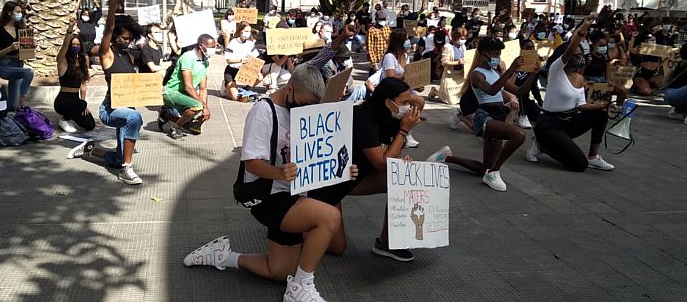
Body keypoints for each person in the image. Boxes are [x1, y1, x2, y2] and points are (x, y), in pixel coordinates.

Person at [183, 66, 353, 302]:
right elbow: (252, 163)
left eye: (310, 105)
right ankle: (301, 287)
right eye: (303, 103)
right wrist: (279, 173)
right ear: (290, 89)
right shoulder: (263, 112)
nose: (305, 109)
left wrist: (342, 167)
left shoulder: (303, 108)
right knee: (329, 217)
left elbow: (321, 152)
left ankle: (223, 256)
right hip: (270, 197)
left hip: (296, 193)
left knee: (280, 272)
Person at [309, 78, 423, 262]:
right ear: (388, 103)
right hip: (333, 181)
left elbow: (390, 158)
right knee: (337, 247)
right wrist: (404, 132)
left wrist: (410, 104)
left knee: (404, 179)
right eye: (404, 103)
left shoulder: (391, 117)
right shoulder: (364, 119)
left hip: (359, 175)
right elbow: (381, 163)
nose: (408, 107)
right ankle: (296, 229)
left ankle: (386, 243)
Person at [73, 0, 145, 185]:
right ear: (115, 37)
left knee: (118, 158)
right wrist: (113, 1)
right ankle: (127, 171)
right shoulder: (107, 53)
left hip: (127, 105)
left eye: (130, 39)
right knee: (134, 117)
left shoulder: (129, 56)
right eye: (124, 38)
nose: (127, 42)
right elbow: (109, 27)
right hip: (110, 109)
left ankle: (90, 149)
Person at [529, 15, 615, 172]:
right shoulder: (556, 71)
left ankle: (593, 156)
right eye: (575, 55)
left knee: (600, 114)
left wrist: (602, 105)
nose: (579, 57)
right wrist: (582, 29)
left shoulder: (579, 78)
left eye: (580, 54)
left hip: (569, 121)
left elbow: (581, 106)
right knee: (578, 165)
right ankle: (543, 144)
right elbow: (570, 48)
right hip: (549, 123)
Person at [443, 37, 526, 191]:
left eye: (499, 55)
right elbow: (492, 90)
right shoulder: (476, 74)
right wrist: (511, 69)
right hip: (485, 117)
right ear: (484, 54)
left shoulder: (494, 71)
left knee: (484, 168)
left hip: (498, 115)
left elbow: (520, 91)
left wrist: (535, 73)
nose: (497, 58)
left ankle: (447, 157)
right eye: (494, 54)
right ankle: (494, 172)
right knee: (519, 135)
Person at [161, 34, 217, 135]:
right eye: (211, 47)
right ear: (201, 46)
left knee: (200, 112)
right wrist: (203, 107)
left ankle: (184, 121)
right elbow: (188, 87)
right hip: (172, 92)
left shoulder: (205, 62)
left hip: (186, 94)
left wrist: (205, 109)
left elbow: (203, 88)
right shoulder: (188, 57)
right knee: (197, 106)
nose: (214, 50)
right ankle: (176, 126)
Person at [0, 1, 33, 111]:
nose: (20, 14)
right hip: (5, 65)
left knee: (12, 106)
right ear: (9, 13)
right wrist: (9, 48)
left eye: (21, 12)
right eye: (17, 12)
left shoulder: (21, 28)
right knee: (29, 72)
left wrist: (30, 46)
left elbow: (26, 55)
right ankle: (22, 98)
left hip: (18, 64)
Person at [54, 21, 95, 134]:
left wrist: (83, 106)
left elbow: (83, 85)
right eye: (73, 44)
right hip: (63, 100)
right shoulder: (63, 61)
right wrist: (70, 29)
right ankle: (64, 119)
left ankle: (72, 116)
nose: (75, 46)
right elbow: (65, 46)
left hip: (76, 102)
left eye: (77, 44)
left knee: (90, 125)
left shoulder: (81, 62)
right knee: (81, 104)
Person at [629, 19, 670, 95]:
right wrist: (633, 38)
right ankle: (637, 87)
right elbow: (632, 50)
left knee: (663, 82)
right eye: (650, 40)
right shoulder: (642, 47)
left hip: (653, 73)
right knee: (646, 91)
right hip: (642, 73)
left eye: (653, 40)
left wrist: (660, 64)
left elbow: (667, 55)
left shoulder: (659, 46)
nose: (652, 41)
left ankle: (649, 84)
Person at [223, 22, 261, 101]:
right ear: (241, 31)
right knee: (235, 97)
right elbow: (228, 60)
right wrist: (240, 60)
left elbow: (256, 56)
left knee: (259, 77)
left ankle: (246, 89)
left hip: (245, 69)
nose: (248, 33)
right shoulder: (233, 43)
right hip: (232, 71)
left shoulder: (250, 43)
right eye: (246, 31)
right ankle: (227, 87)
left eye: (249, 31)